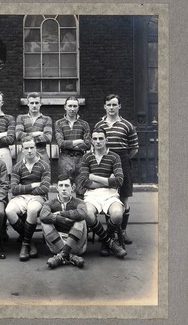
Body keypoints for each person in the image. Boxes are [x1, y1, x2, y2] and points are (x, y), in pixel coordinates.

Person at [95, 94, 139, 244]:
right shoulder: (99, 125)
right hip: (106, 162)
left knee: (124, 197)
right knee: (109, 198)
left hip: (123, 160)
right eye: (109, 105)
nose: (111, 107)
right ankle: (111, 234)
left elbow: (134, 148)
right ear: (105, 106)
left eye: (114, 105)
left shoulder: (127, 125)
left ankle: (123, 231)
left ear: (119, 106)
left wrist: (121, 160)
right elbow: (95, 145)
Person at [80, 127, 127, 259]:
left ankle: (107, 240)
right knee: (87, 213)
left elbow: (119, 181)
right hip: (92, 194)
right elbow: (84, 181)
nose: (98, 141)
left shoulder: (114, 157)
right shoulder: (86, 157)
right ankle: (108, 242)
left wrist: (94, 177)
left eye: (101, 138)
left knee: (117, 214)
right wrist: (108, 180)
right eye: (95, 139)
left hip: (110, 193)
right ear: (91, 141)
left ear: (106, 140)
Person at [5, 136, 51, 261]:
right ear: (22, 150)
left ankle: (25, 245)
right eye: (27, 148)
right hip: (20, 198)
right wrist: (33, 185)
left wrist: (24, 187)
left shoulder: (44, 165)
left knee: (32, 209)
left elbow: (44, 189)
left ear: (36, 149)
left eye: (32, 147)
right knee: (9, 211)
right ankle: (30, 241)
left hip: (38, 197)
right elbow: (14, 189)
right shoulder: (17, 167)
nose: (29, 151)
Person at [40, 175, 87, 269]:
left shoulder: (79, 202)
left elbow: (82, 213)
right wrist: (60, 219)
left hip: (76, 244)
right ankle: (70, 256)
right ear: (57, 188)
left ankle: (61, 256)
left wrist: (62, 213)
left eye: (66, 185)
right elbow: (43, 214)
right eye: (61, 185)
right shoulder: (50, 202)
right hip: (57, 243)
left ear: (72, 188)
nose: (64, 189)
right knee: (45, 222)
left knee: (81, 220)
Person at [55, 96, 91, 198]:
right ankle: (64, 211)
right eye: (70, 106)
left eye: (75, 106)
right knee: (64, 187)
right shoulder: (59, 123)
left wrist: (70, 144)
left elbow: (88, 144)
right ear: (65, 107)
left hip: (81, 158)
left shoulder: (84, 124)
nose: (72, 109)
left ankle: (81, 211)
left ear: (78, 108)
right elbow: (61, 143)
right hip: (64, 158)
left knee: (81, 188)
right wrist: (78, 141)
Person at [15, 92, 53, 164]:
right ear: (28, 104)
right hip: (25, 153)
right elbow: (19, 135)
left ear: (40, 104)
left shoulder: (47, 119)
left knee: (43, 172)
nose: (34, 105)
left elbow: (48, 138)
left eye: (36, 103)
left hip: (41, 153)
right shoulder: (21, 118)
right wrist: (37, 133)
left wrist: (27, 137)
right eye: (32, 103)